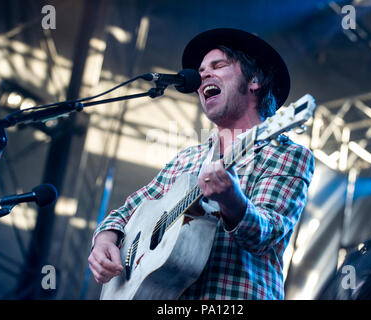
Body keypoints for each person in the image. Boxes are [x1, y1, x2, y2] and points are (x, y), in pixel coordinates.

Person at [88, 28, 314, 300]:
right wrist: (104, 240)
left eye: (218, 66)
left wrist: (232, 199)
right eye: (201, 69)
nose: (203, 74)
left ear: (255, 79)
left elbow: (266, 234)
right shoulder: (187, 158)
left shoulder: (285, 153)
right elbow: (129, 211)